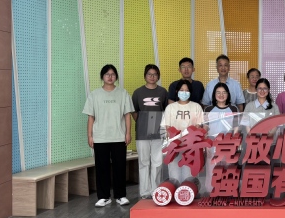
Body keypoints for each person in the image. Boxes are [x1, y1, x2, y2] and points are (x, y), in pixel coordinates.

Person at [83, 64, 134, 207]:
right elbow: (91, 117)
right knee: (102, 168)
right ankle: (104, 197)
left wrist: (128, 133)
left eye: (112, 74)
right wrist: (90, 135)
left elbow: (127, 115)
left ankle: (120, 195)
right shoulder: (94, 95)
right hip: (100, 137)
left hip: (119, 136)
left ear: (116, 76)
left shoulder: (123, 93)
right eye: (107, 74)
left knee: (120, 167)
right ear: (102, 77)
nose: (110, 77)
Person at [131, 64, 169, 199]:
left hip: (159, 133)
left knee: (157, 163)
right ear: (145, 76)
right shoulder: (138, 92)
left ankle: (155, 190)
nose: (152, 77)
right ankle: (145, 191)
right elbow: (134, 112)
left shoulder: (163, 92)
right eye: (149, 74)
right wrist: (143, 122)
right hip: (142, 133)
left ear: (158, 76)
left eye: (155, 74)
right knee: (144, 162)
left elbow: (166, 111)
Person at [161, 79, 204, 186]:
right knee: (174, 176)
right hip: (174, 147)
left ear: (190, 92)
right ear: (177, 91)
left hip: (190, 147)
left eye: (187, 90)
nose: (184, 92)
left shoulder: (196, 107)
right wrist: (176, 140)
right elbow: (167, 127)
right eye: (181, 90)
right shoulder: (170, 107)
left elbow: (199, 126)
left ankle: (187, 193)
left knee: (188, 177)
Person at [204, 83, 240, 192]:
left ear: (228, 94)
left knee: (227, 169)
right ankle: (212, 192)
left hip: (227, 145)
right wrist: (206, 146)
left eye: (224, 93)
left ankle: (227, 192)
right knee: (212, 170)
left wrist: (234, 145)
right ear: (214, 94)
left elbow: (236, 128)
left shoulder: (233, 108)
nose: (221, 95)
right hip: (212, 145)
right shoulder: (208, 109)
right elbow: (205, 128)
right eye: (218, 92)